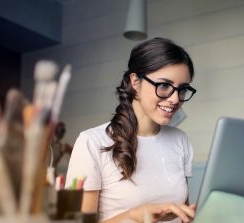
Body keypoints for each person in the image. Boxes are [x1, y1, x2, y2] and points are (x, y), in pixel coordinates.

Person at [65, 37, 197, 223]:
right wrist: (134, 216)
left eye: (182, 89)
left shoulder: (180, 140)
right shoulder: (91, 142)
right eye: (164, 85)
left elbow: (184, 216)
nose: (175, 99)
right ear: (135, 81)